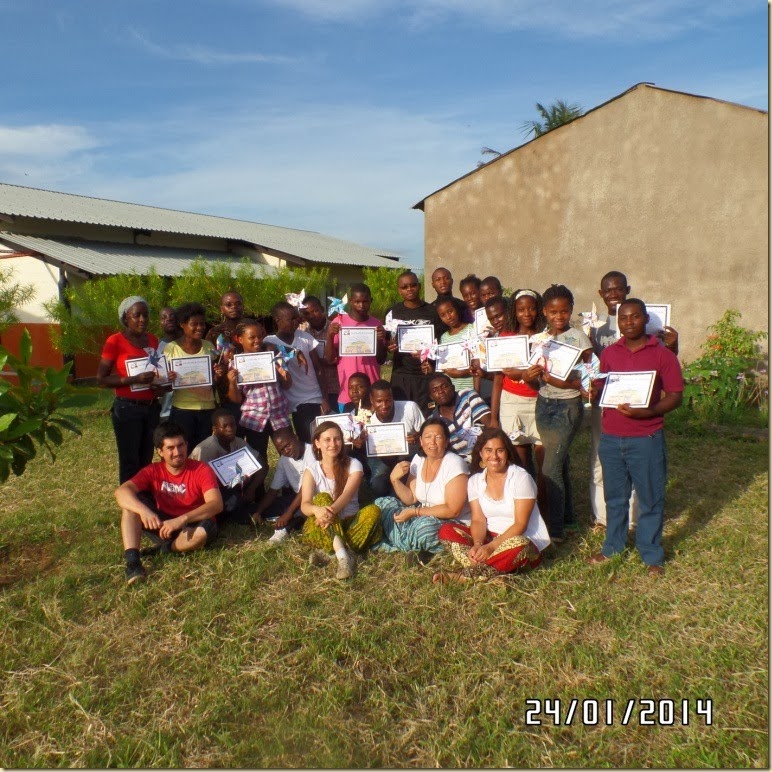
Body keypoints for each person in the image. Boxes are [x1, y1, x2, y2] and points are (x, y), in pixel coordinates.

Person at [587, 299, 683, 576]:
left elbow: (676, 395)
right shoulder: (610, 354)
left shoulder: (662, 354)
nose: (629, 323)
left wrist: (649, 411)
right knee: (615, 497)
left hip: (646, 436)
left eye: (634, 317)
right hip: (612, 437)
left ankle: (651, 553)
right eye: (623, 319)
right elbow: (601, 388)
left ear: (645, 319)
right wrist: (594, 393)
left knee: (650, 497)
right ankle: (613, 547)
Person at [433, 428, 550, 583]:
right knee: (446, 530)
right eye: (488, 450)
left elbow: (520, 524)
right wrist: (478, 545)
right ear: (481, 453)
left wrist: (491, 548)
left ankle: (465, 577)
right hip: (489, 539)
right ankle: (493, 569)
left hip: (518, 540)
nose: (494, 456)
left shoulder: (521, 478)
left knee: (521, 544)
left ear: (507, 453)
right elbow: (478, 520)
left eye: (499, 450)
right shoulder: (475, 481)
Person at [115, 420, 223, 584]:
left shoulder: (201, 469)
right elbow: (121, 492)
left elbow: (216, 504)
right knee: (130, 506)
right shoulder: (153, 470)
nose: (177, 452)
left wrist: (182, 519)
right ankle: (133, 563)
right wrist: (144, 511)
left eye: (181, 446)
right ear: (160, 451)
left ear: (187, 445)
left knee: (201, 535)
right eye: (170, 448)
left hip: (192, 523)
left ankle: (165, 549)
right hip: (163, 525)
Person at [528, 284, 593, 542]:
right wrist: (531, 375)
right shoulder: (540, 339)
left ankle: (554, 530)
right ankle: (568, 519)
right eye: (553, 312)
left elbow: (590, 372)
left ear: (571, 311)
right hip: (544, 404)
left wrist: (576, 384)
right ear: (544, 311)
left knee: (549, 467)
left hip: (567, 406)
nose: (558, 317)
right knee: (560, 461)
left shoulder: (579, 338)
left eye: (564, 312)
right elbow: (535, 379)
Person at [375, 417, 471, 560]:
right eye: (427, 437)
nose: (432, 442)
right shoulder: (418, 459)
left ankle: (405, 541)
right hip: (422, 515)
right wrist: (394, 480)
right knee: (382, 504)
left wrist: (415, 512)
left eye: (438, 437)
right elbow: (411, 498)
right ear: (421, 440)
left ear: (446, 441)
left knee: (424, 528)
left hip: (452, 522)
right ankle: (412, 542)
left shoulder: (455, 464)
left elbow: (453, 510)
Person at [300, 421, 382, 580]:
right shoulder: (312, 469)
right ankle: (345, 558)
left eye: (337, 439)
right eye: (327, 440)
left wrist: (328, 512)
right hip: (323, 522)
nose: (333, 444)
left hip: (347, 521)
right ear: (317, 443)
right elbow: (305, 505)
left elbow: (346, 496)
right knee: (322, 499)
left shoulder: (354, 464)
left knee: (374, 511)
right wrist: (317, 510)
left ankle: (330, 553)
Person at [491, 288, 548, 514]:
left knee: (544, 464)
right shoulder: (505, 337)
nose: (527, 313)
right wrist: (493, 417)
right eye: (521, 309)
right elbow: (497, 379)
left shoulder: (545, 338)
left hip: (540, 402)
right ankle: (526, 512)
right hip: (511, 403)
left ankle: (545, 511)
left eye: (532, 308)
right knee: (521, 463)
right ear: (514, 311)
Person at [97, 295, 163, 483]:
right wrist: (134, 379)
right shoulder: (115, 341)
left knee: (146, 458)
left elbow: (156, 370)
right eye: (137, 315)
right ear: (125, 318)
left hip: (151, 407)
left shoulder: (152, 340)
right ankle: (129, 505)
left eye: (146, 315)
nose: (142, 320)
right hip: (127, 409)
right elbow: (101, 379)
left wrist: (161, 385)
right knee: (129, 461)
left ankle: (144, 499)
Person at [225, 319, 293, 460]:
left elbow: (287, 385)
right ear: (240, 339)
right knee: (258, 458)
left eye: (260, 336)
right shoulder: (236, 364)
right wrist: (232, 383)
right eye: (252, 337)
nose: (257, 340)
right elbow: (236, 399)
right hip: (254, 419)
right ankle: (259, 482)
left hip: (279, 416)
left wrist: (283, 375)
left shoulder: (275, 356)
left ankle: (290, 482)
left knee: (289, 456)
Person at [164, 302, 226, 453]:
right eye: (194, 324)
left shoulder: (209, 347)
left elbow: (213, 382)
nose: (200, 327)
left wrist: (218, 375)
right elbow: (164, 386)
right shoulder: (171, 349)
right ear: (182, 325)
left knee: (204, 451)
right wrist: (169, 379)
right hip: (182, 410)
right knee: (183, 451)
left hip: (207, 409)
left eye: (202, 323)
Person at [189, 408, 268, 524]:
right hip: (210, 490)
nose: (230, 429)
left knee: (256, 480)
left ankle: (254, 507)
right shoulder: (207, 449)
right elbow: (202, 483)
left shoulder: (238, 442)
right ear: (214, 429)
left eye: (232, 425)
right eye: (224, 426)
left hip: (233, 484)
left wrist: (251, 489)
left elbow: (262, 465)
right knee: (230, 501)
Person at [265, 300, 328, 442]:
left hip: (311, 398)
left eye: (296, 318)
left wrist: (324, 398)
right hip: (285, 402)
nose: (296, 322)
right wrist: (293, 351)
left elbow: (319, 369)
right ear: (278, 321)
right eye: (291, 319)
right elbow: (269, 349)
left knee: (310, 439)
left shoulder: (305, 337)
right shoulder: (269, 341)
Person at [354, 380, 424, 497]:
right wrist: (360, 444)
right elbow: (362, 446)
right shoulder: (367, 420)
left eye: (388, 400)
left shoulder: (410, 408)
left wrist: (418, 437)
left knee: (402, 491)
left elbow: (426, 431)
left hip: (408, 457)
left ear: (393, 398)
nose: (385, 405)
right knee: (377, 487)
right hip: (381, 459)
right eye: (379, 401)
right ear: (372, 400)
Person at [385, 270, 441, 413]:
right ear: (399, 290)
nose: (409, 289)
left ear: (419, 286)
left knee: (427, 416)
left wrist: (429, 356)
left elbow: (439, 341)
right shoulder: (393, 312)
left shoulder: (432, 311)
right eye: (404, 287)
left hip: (425, 374)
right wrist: (389, 346)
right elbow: (386, 342)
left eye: (413, 285)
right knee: (402, 415)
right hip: (401, 375)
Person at [326, 283, 387, 411]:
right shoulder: (339, 322)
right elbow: (330, 359)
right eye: (357, 301)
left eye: (365, 301)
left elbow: (381, 360)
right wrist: (330, 336)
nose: (361, 305)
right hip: (348, 393)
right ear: (350, 301)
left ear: (371, 301)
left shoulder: (376, 324)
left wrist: (381, 341)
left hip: (372, 389)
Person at [253, 426, 316, 544]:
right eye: (282, 450)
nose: (286, 451)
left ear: (296, 438)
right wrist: (259, 511)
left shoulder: (313, 453)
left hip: (314, 497)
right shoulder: (284, 460)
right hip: (296, 498)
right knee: (257, 509)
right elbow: (273, 491)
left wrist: (289, 513)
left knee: (299, 512)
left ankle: (284, 530)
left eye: (288, 445)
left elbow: (306, 490)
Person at [428, 373, 491, 459]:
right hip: (459, 461)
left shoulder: (467, 395)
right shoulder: (433, 421)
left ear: (453, 388)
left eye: (444, 386)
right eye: (435, 390)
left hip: (486, 452)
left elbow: (490, 424)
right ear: (431, 397)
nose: (441, 391)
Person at [300, 295, 340, 411]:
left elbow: (342, 357)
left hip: (337, 386)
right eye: (307, 313)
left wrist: (326, 360)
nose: (312, 316)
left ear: (322, 309)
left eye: (315, 310)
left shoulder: (336, 329)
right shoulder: (304, 335)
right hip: (315, 391)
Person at [435, 296, 477, 393]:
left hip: (470, 388)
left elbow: (481, 361)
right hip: (452, 391)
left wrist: (462, 372)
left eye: (450, 311)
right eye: (443, 315)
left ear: (457, 309)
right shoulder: (444, 337)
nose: (448, 317)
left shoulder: (472, 329)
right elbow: (443, 365)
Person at [157, 306, 180, 419]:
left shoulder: (190, 343)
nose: (169, 319)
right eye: (164, 317)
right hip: (165, 409)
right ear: (160, 323)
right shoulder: (155, 347)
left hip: (188, 405)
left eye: (172, 316)